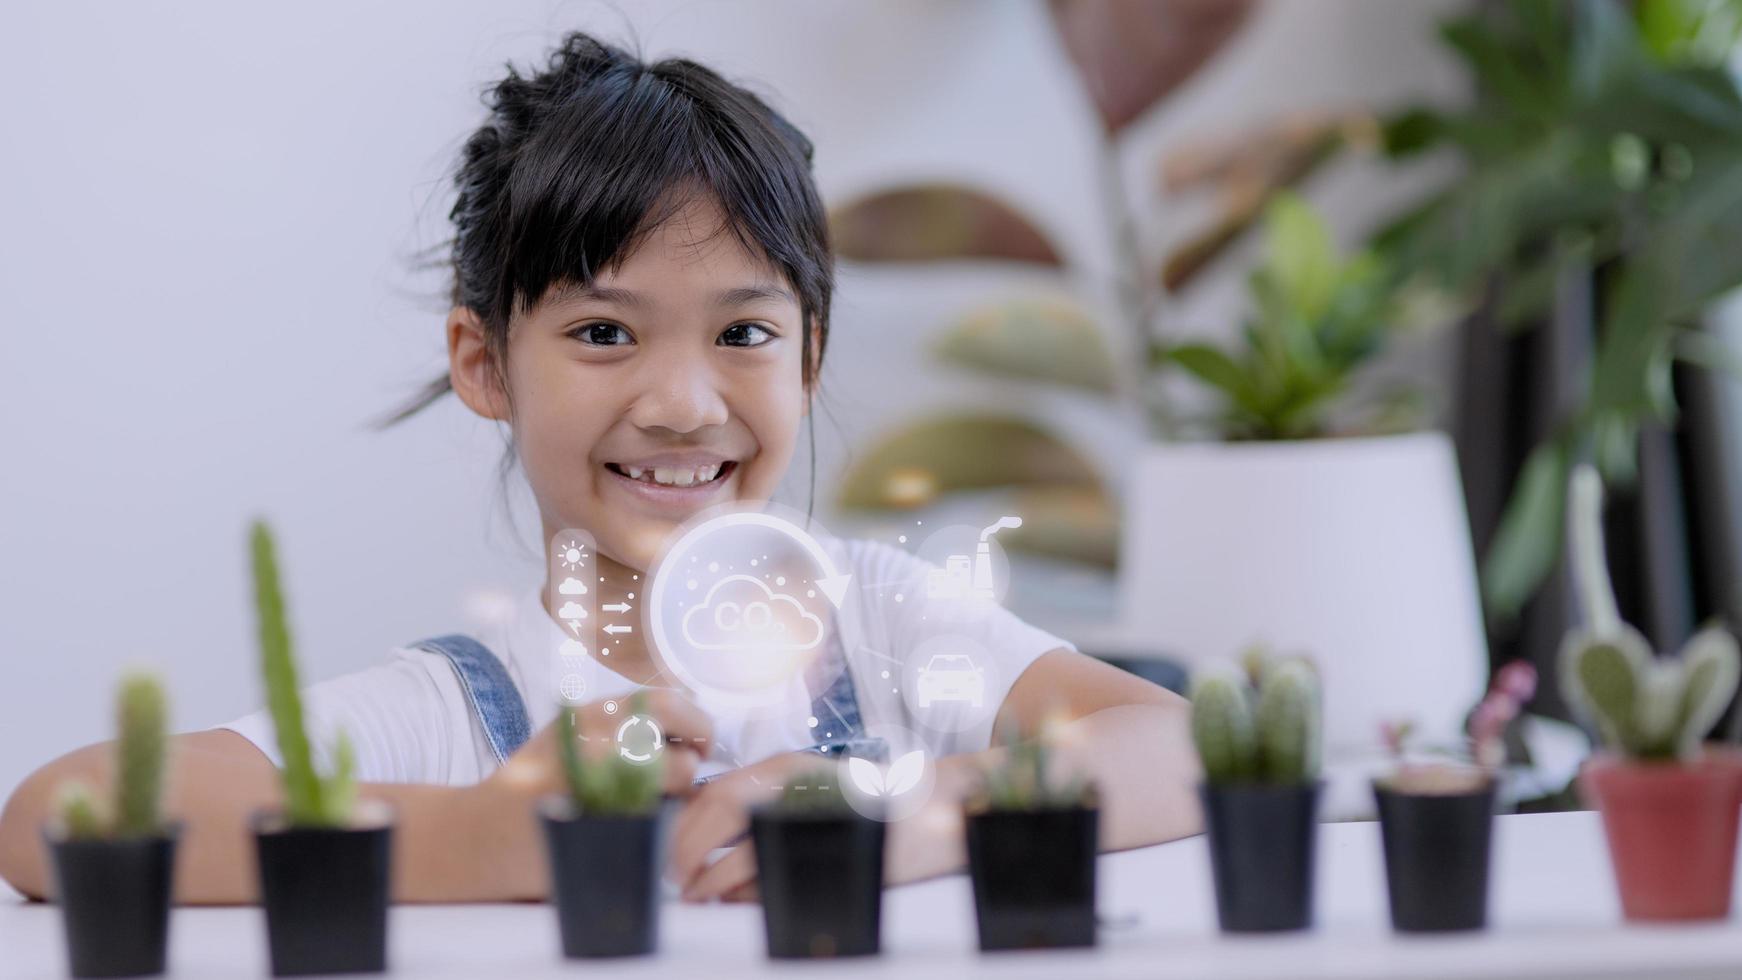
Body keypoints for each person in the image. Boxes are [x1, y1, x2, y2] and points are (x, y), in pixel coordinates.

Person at [0, 31, 1199, 905]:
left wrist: (911, 812)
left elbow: (1180, 744)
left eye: (742, 333)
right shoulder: (453, 712)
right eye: (603, 332)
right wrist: (480, 838)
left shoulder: (883, 624)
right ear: (483, 362)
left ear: (808, 357)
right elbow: (60, 811)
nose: (681, 403)